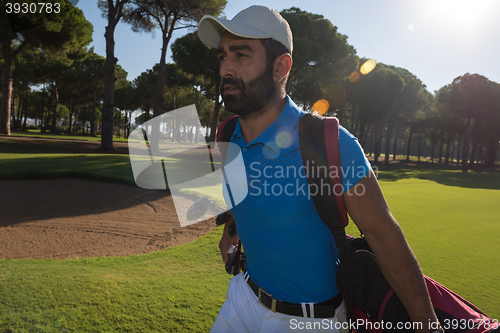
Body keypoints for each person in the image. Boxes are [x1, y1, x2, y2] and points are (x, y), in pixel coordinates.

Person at [198, 5, 441, 333]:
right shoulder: (227, 133)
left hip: (309, 321)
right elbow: (247, 192)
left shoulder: (331, 143)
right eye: (222, 56)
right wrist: (232, 226)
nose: (225, 68)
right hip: (242, 297)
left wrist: (429, 326)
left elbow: (384, 235)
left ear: (280, 67)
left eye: (240, 55)